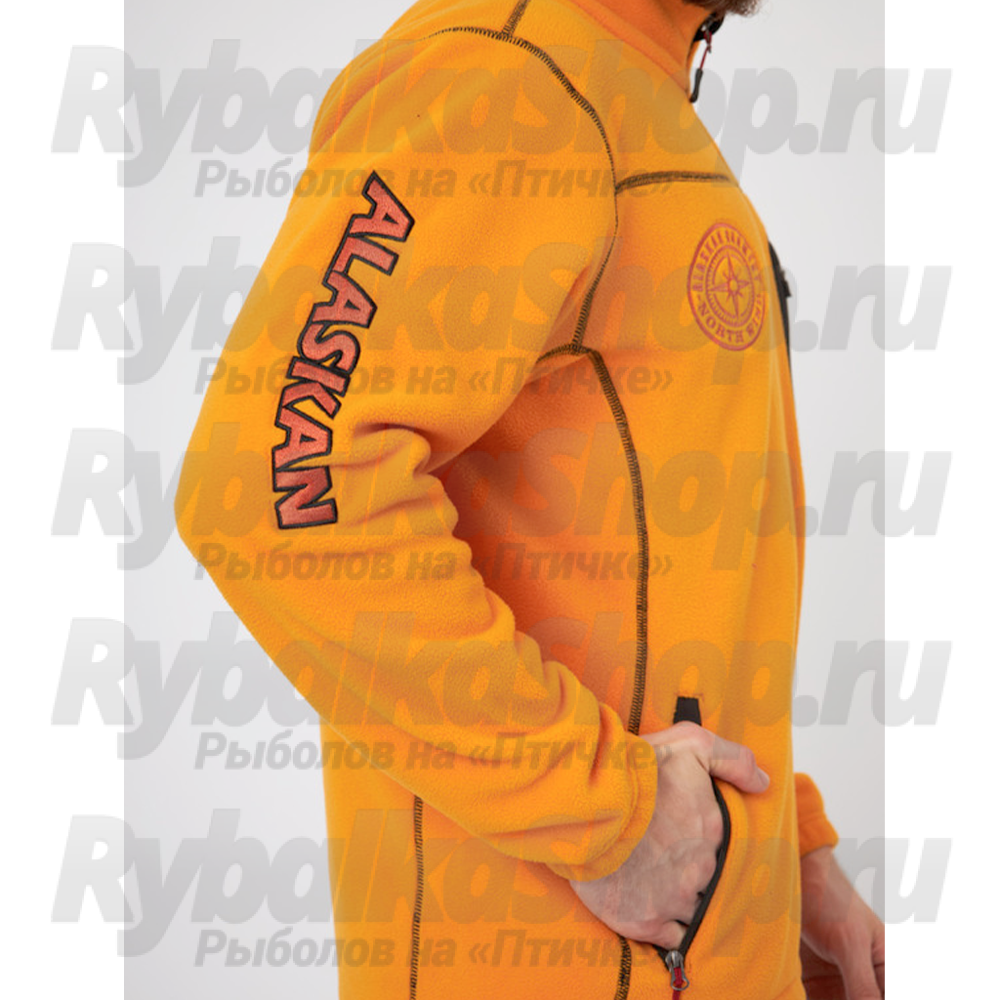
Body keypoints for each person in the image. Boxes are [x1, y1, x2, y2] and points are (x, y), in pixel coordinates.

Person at [175, 0, 885, 997]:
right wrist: (608, 812)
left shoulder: (626, 87)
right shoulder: (505, 80)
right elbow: (276, 483)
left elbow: (670, 586)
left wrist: (788, 856)